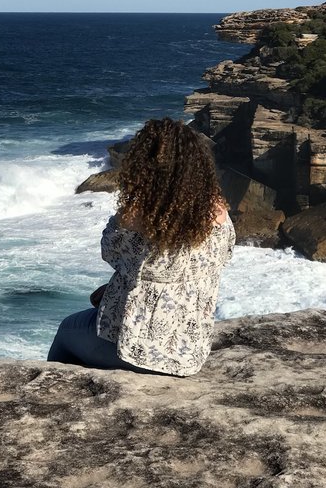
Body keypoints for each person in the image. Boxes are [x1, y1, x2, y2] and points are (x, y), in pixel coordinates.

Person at [47, 117, 235, 377]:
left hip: (139, 353)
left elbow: (110, 251)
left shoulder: (140, 222)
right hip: (190, 351)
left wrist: (125, 218)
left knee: (68, 329)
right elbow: (186, 268)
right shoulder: (220, 217)